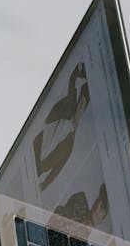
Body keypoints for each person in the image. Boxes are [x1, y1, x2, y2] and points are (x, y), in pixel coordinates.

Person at [33, 62, 90, 191]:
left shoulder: (70, 145)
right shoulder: (68, 105)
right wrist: (80, 69)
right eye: (80, 103)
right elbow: (72, 80)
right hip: (31, 148)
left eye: (83, 106)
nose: (80, 107)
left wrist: (45, 184)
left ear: (84, 111)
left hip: (35, 171)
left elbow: (57, 170)